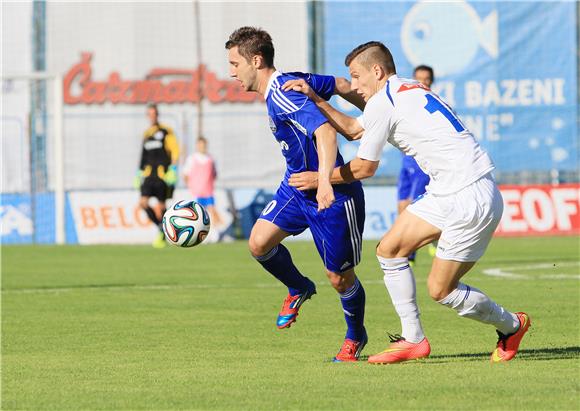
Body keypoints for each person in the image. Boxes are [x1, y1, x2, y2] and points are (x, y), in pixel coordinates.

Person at [283, 41, 530, 364]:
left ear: (377, 71)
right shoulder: (404, 88)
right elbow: (356, 130)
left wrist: (320, 178)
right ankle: (412, 339)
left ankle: (511, 324)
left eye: (357, 77)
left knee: (441, 291)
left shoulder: (384, 101)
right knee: (389, 249)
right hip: (449, 190)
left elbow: (364, 168)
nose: (354, 86)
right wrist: (316, 99)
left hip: (469, 195)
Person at [225, 27, 368, 361]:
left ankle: (355, 337)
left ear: (256, 60)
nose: (231, 71)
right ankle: (299, 287)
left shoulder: (282, 94)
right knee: (259, 243)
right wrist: (371, 111)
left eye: (235, 63)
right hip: (296, 187)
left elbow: (326, 134)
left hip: (332, 194)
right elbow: (342, 85)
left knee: (339, 277)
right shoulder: (293, 79)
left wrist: (324, 183)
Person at [397, 65, 435, 264]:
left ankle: (410, 253)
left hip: (422, 164)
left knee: (412, 207)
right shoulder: (407, 101)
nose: (423, 82)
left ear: (431, 81)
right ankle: (434, 238)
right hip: (406, 162)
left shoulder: (432, 103)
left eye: (426, 79)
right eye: (419, 78)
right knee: (402, 206)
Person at [135, 103, 179, 248]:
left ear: (157, 115)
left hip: (162, 175)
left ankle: (163, 231)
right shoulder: (147, 134)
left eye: (154, 114)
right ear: (148, 116)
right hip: (148, 175)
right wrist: (139, 172)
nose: (152, 116)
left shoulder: (166, 131)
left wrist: (173, 168)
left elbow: (175, 150)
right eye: (150, 114)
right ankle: (161, 228)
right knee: (143, 203)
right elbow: (143, 155)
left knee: (161, 207)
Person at [182, 136, 223, 229]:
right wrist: (190, 186)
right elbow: (185, 174)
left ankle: (214, 233)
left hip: (208, 191)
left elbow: (215, 174)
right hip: (196, 192)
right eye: (200, 145)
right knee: (198, 213)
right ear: (197, 146)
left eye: (203, 145)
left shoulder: (211, 159)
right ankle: (198, 232)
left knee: (212, 211)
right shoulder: (192, 158)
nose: (202, 147)